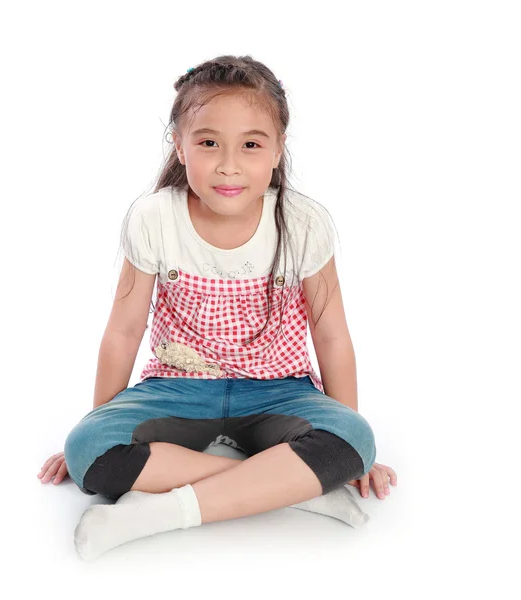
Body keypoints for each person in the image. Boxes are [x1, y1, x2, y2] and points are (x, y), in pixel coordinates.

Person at [37, 54, 397, 561]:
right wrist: (103, 420)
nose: (229, 164)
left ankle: (153, 514)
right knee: (87, 449)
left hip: (279, 392)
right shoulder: (153, 216)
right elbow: (123, 332)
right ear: (180, 147)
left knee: (355, 439)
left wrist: (350, 446)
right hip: (178, 387)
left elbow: (331, 334)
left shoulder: (303, 221)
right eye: (208, 143)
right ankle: (293, 488)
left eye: (251, 145)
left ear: (277, 151)